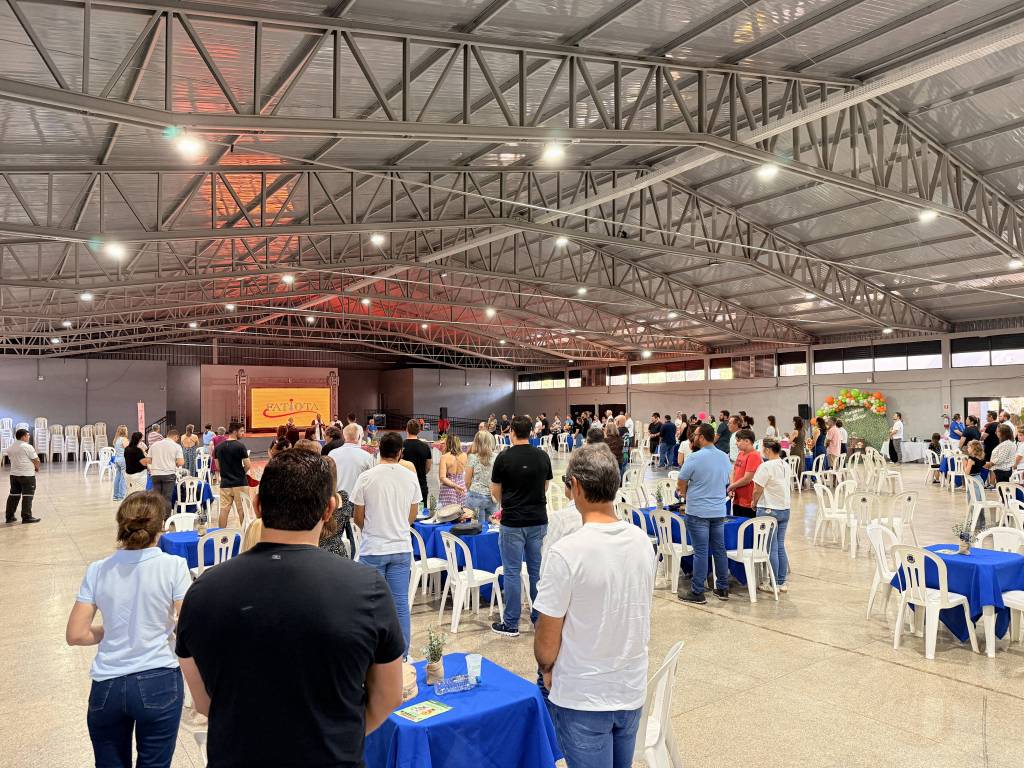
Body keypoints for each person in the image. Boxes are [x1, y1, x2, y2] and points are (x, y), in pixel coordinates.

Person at [176, 450, 405, 766]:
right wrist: (338, 736)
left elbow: (203, 701)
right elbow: (389, 695)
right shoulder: (367, 588)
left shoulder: (203, 591)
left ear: (257, 506)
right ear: (329, 509)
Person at [534, 444, 655, 768]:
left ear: (575, 486)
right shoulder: (642, 542)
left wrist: (546, 668)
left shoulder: (566, 552)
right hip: (629, 689)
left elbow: (547, 639)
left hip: (583, 695)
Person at [66, 492, 190, 767]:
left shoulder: (98, 570)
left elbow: (76, 634)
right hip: (159, 677)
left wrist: (110, 629)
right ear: (161, 526)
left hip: (107, 683)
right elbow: (188, 625)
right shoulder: (174, 566)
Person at [350, 432, 421, 654]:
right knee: (400, 604)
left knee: (372, 605)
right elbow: (412, 514)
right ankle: (402, 654)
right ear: (400, 452)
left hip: (373, 548)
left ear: (378, 450)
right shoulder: (410, 477)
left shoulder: (366, 477)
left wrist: (374, 530)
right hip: (401, 547)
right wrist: (397, 527)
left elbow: (358, 517)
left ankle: (374, 654)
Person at [490, 415, 553, 637]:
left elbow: (495, 492)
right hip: (538, 520)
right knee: (536, 571)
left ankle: (511, 623)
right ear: (531, 432)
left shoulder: (503, 457)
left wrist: (510, 501)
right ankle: (540, 619)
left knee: (512, 572)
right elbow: (545, 486)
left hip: (513, 522)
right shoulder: (542, 456)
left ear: (512, 433)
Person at [677, 424, 732, 604]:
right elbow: (726, 479)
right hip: (718, 510)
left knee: (700, 552)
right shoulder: (724, 457)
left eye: (695, 435)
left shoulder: (694, 457)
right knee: (719, 549)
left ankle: (697, 591)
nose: (693, 437)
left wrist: (685, 494)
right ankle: (722, 587)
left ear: (701, 437)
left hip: (698, 511)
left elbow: (681, 481)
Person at [751, 439, 791, 594]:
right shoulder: (785, 464)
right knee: (780, 546)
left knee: (771, 548)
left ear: (767, 450)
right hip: (784, 509)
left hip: (769, 509)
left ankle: (773, 583)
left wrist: (754, 502)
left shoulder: (765, 466)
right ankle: (781, 582)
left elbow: (757, 489)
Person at [216, 422, 252, 529]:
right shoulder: (240, 446)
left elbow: (217, 467)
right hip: (240, 483)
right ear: (235, 432)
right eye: (241, 431)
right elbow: (248, 465)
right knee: (242, 511)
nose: (243, 433)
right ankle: (245, 534)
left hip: (225, 484)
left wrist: (226, 473)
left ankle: (221, 533)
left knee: (224, 510)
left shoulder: (218, 447)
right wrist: (241, 473)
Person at [4, 428, 41, 524]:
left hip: (14, 475)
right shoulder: (27, 446)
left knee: (13, 495)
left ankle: (9, 517)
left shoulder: (11, 447)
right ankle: (26, 517)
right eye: (28, 435)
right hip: (27, 475)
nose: (29, 437)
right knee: (27, 495)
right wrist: (37, 468)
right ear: (23, 436)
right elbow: (36, 460)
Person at [727, 428, 762, 518]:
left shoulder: (754, 455)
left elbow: (747, 479)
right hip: (737, 499)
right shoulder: (741, 453)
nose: (736, 443)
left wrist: (731, 486)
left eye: (738, 441)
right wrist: (732, 486)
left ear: (747, 441)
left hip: (747, 501)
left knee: (747, 525)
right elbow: (734, 471)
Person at [465, 430, 498, 526]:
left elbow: (467, 481)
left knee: (475, 527)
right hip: (492, 496)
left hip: (476, 494)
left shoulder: (472, 457)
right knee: (491, 526)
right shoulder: (496, 457)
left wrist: (470, 492)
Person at [147, 429, 183, 513]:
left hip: (155, 474)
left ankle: (156, 517)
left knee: (157, 498)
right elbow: (180, 462)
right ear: (176, 437)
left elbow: (148, 460)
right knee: (167, 498)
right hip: (169, 474)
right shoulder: (176, 446)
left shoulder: (154, 445)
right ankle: (166, 519)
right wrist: (174, 462)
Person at [401, 420, 432, 508]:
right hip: (421, 485)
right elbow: (428, 467)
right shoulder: (425, 447)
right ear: (419, 431)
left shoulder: (400, 446)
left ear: (406, 429)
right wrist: (420, 472)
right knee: (421, 512)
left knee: (405, 512)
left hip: (404, 486)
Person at [437, 433, 468, 507]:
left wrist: (454, 486)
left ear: (448, 443)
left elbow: (442, 478)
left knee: (447, 512)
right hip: (462, 487)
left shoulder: (444, 457)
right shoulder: (464, 455)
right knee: (461, 511)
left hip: (448, 488)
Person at [111, 425, 129, 502]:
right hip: (123, 460)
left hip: (117, 459)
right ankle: (121, 496)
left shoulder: (116, 439)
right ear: (125, 431)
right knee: (123, 478)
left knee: (117, 477)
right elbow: (128, 449)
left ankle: (115, 495)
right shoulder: (124, 439)